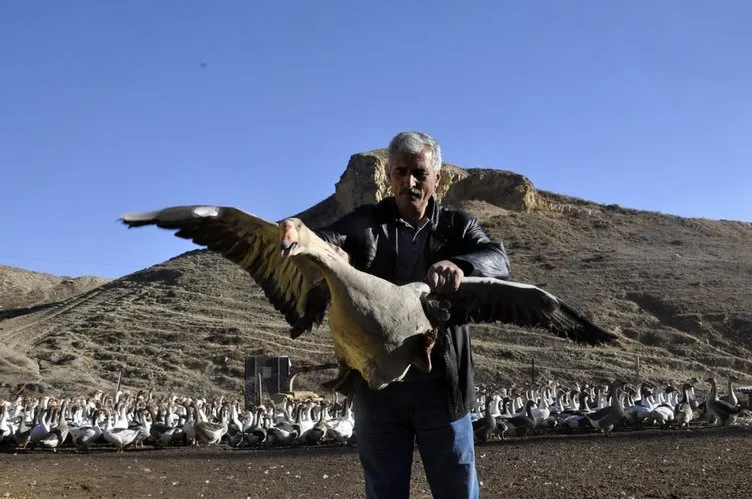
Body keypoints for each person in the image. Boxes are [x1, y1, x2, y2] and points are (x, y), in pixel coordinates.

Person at [314, 131, 511, 499]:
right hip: (379, 389)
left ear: (438, 178)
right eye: (400, 172)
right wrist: (330, 254)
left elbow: (499, 259)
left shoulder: (459, 227)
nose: (410, 182)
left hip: (442, 388)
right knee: (384, 492)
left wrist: (460, 263)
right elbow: (325, 238)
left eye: (419, 173)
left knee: (457, 491)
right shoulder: (366, 223)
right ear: (389, 177)